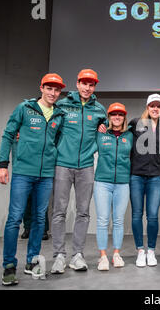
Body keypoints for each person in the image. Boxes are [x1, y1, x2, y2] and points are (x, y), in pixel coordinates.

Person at [0, 73, 66, 286]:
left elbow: (59, 140)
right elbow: (8, 134)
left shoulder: (59, 115)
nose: (53, 93)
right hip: (23, 172)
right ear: (42, 88)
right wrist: (3, 165)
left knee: (38, 219)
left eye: (56, 90)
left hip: (46, 175)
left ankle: (32, 261)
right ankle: (9, 266)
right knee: (15, 218)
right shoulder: (24, 108)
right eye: (49, 88)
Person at [51, 69, 107, 273]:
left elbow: (107, 128)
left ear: (94, 87)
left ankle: (77, 255)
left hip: (86, 166)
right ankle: (58, 256)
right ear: (77, 84)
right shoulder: (63, 105)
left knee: (83, 213)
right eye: (84, 83)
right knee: (59, 212)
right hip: (62, 165)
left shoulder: (99, 109)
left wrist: (104, 127)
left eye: (91, 85)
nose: (87, 88)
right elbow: (51, 129)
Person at [129, 94, 160, 267]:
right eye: (152, 105)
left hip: (155, 177)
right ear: (147, 107)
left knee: (152, 216)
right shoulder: (135, 122)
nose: (155, 108)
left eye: (158, 106)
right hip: (136, 176)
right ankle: (140, 251)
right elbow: (117, 130)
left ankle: (151, 250)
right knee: (137, 214)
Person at [93, 103, 133, 271]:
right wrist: (99, 124)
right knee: (102, 220)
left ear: (124, 117)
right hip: (102, 181)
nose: (117, 117)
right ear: (108, 117)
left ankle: (116, 254)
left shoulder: (130, 135)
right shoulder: (100, 134)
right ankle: (102, 256)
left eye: (120, 114)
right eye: (113, 114)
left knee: (118, 220)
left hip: (123, 183)